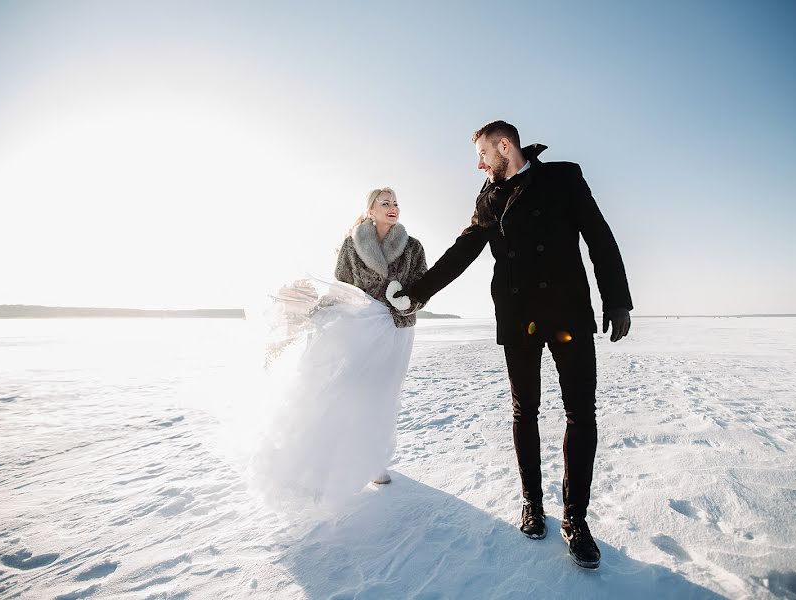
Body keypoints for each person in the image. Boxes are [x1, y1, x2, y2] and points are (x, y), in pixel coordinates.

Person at [394, 121, 632, 569]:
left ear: (506, 145)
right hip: (519, 318)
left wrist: (617, 299)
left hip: (568, 315)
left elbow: (599, 236)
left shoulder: (564, 177)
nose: (479, 164)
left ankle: (576, 520)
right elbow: (462, 251)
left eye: (483, 153)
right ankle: (533, 503)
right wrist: (420, 292)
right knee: (526, 411)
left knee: (581, 412)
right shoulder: (487, 198)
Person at [252, 187, 426, 508]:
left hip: (397, 326)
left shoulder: (413, 247)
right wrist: (323, 314)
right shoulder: (352, 244)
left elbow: (423, 284)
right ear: (370, 210)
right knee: (350, 390)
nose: (392, 208)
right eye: (384, 203)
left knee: (384, 393)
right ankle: (330, 460)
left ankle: (375, 460)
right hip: (359, 324)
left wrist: (406, 300)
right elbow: (341, 286)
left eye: (396, 203)